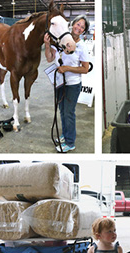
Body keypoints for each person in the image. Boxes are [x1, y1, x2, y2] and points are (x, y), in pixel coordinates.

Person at [44, 15, 91, 152]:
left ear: (83, 31)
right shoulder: (60, 41)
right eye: (78, 24)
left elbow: (85, 68)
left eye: (82, 27)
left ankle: (70, 142)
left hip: (72, 84)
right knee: (62, 111)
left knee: (69, 112)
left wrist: (67, 68)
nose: (79, 28)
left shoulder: (81, 47)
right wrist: (47, 44)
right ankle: (65, 134)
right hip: (60, 83)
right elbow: (49, 58)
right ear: (73, 24)